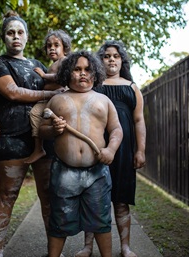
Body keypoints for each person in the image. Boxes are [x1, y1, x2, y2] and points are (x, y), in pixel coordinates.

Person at [0, 11, 63, 257]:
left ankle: (54, 252)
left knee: (48, 197)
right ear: (4, 37)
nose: (15, 37)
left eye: (20, 32)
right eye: (10, 33)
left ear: (27, 37)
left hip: (43, 138)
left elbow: (60, 87)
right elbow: (13, 93)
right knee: (8, 194)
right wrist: (48, 94)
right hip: (12, 139)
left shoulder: (38, 66)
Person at [39, 50, 124, 257]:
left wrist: (111, 149)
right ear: (68, 73)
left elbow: (116, 129)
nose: (82, 73)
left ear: (95, 74)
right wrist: (53, 130)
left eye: (87, 69)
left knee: (101, 220)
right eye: (77, 69)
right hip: (63, 172)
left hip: (97, 173)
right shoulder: (57, 100)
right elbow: (41, 130)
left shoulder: (103, 100)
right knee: (59, 220)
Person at [75, 41, 146, 257]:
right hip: (96, 149)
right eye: (106, 56)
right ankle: (88, 247)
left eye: (116, 55)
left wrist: (140, 150)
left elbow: (139, 120)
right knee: (92, 199)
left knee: (121, 199)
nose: (111, 59)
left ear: (122, 59)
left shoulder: (132, 87)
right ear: (100, 60)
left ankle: (125, 247)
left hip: (124, 151)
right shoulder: (93, 86)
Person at [25, 29, 72, 164]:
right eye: (49, 46)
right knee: (35, 114)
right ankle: (39, 148)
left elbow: (63, 77)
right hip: (48, 99)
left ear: (65, 47)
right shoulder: (53, 64)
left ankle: (42, 148)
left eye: (56, 45)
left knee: (45, 117)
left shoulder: (64, 61)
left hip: (58, 99)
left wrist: (44, 76)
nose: (52, 48)